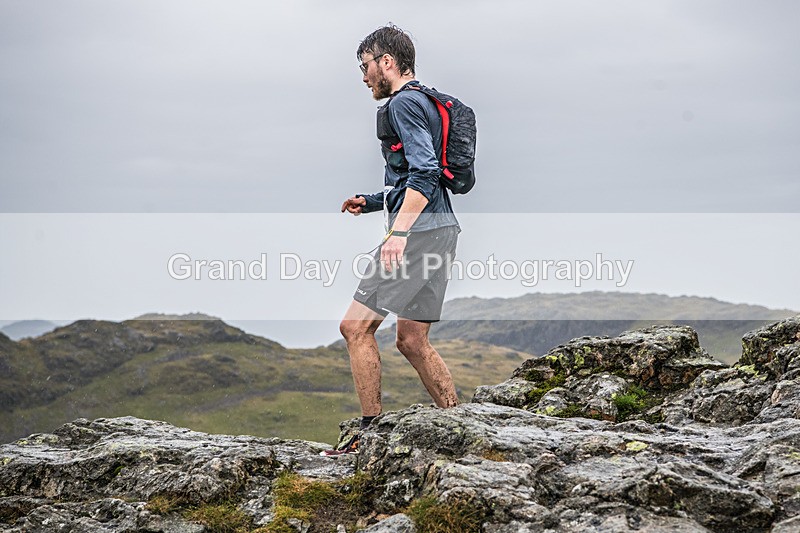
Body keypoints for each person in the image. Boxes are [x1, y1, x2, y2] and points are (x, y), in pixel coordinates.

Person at [321, 25, 462, 457]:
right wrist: (374, 200)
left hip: (418, 233)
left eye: (365, 66)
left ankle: (367, 437)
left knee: (355, 327)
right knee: (412, 340)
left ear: (386, 62)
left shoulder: (402, 104)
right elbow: (418, 177)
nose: (364, 77)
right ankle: (458, 425)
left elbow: (424, 174)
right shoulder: (423, 101)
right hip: (441, 230)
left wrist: (398, 232)